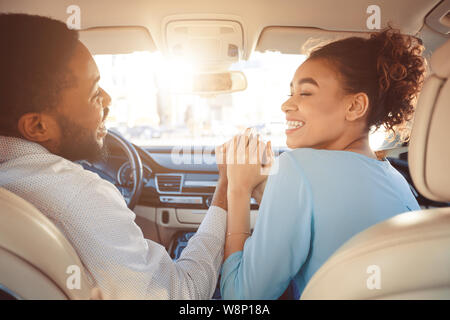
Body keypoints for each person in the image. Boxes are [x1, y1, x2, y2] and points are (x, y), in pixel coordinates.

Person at [0, 13, 229, 299]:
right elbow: (184, 295)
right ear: (37, 126)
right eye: (94, 93)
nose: (107, 100)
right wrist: (227, 191)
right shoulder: (81, 196)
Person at [220, 28, 426, 299]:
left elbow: (241, 299)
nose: (286, 105)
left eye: (305, 93)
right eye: (291, 92)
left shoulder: (297, 167)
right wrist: (267, 194)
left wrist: (237, 188)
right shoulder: (396, 180)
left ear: (354, 106)